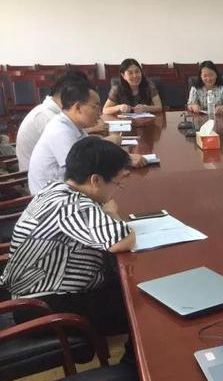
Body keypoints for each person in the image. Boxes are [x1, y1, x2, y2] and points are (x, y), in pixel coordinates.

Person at [1, 136, 135, 337]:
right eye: (118, 183)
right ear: (95, 180)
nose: (117, 189)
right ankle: (132, 356)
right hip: (44, 308)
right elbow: (121, 241)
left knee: (130, 287)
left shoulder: (57, 188)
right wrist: (113, 214)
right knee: (140, 307)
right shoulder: (73, 206)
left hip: (34, 296)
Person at [28, 81, 145, 194]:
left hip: (66, 190)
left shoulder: (73, 125)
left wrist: (123, 158)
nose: (99, 113)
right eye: (95, 107)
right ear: (78, 107)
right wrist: (124, 160)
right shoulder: (60, 131)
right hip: (53, 198)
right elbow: (83, 169)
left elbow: (92, 154)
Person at [16, 71, 89, 171]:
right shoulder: (46, 117)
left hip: (57, 169)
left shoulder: (59, 114)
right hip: (34, 177)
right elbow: (73, 160)